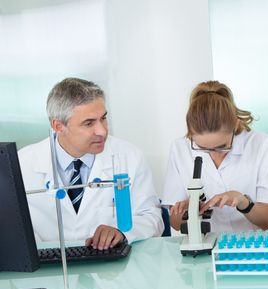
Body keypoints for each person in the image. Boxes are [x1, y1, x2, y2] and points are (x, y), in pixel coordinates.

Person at [18, 78, 163, 249]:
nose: (102, 131)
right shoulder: (23, 164)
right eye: (89, 123)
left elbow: (152, 218)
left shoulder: (129, 157)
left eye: (103, 118)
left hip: (111, 271)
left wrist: (123, 233)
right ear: (58, 126)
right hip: (47, 270)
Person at [162, 80, 268, 232]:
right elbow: (175, 224)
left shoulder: (260, 144)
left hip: (255, 243)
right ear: (190, 130)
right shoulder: (180, 148)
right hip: (207, 245)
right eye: (202, 148)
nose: (213, 153)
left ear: (235, 124)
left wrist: (242, 201)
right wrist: (190, 209)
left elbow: (266, 221)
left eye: (222, 146)